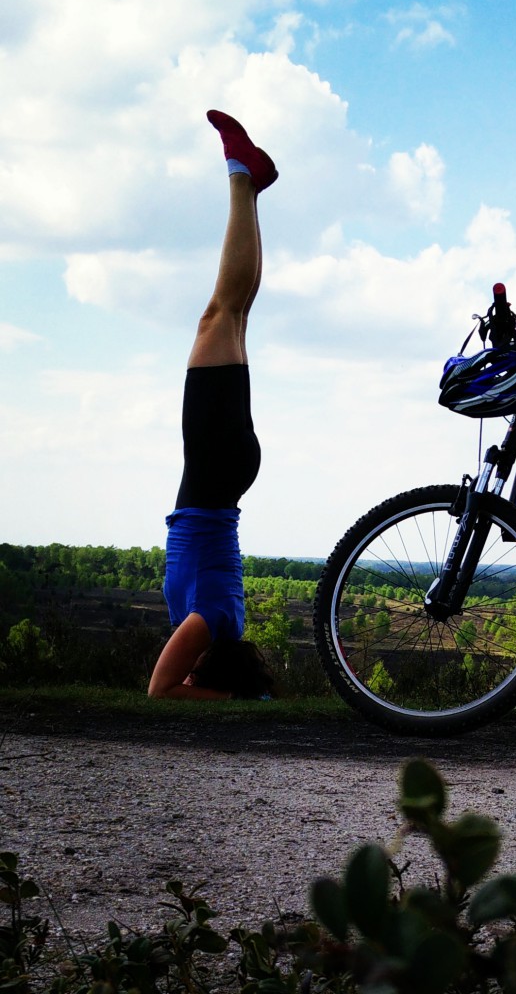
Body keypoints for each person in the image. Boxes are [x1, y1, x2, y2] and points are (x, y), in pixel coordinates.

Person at [147, 110, 278, 700]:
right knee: (219, 316)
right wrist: (228, 702)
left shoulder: (222, 625)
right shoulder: (209, 625)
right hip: (213, 470)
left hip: (222, 473)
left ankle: (248, 183)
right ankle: (239, 178)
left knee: (231, 316)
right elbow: (161, 691)